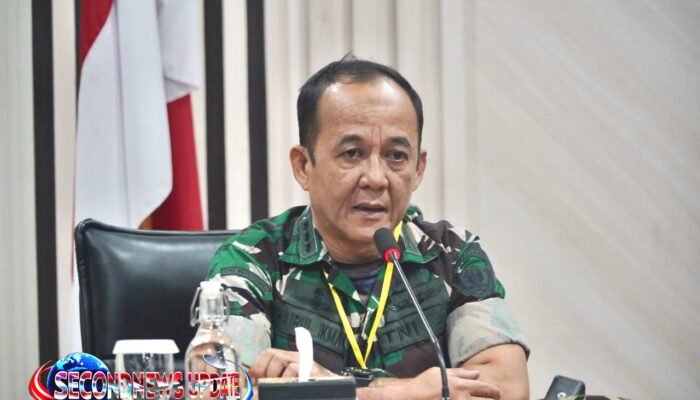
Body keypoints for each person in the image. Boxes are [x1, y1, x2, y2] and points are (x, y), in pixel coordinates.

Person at [206, 55, 530, 400]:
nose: (376, 178)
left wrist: (325, 390)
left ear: (418, 169)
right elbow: (214, 389)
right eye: (352, 153)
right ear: (303, 166)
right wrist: (406, 393)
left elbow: (507, 388)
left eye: (396, 156)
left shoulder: (452, 255)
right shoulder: (253, 258)